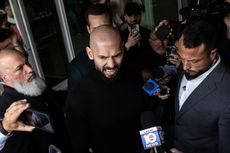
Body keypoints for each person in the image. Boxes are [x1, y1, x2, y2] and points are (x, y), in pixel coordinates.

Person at [65, 25, 150, 153]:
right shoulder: (78, 97)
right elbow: (79, 146)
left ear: (122, 48)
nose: (111, 65)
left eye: (117, 55)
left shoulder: (133, 76)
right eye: (103, 57)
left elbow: (144, 113)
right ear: (90, 53)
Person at [170, 20, 230, 153]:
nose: (185, 67)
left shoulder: (227, 94)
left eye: (193, 61)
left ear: (212, 54)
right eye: (182, 58)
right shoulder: (186, 64)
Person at [0, 49, 70, 153]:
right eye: (19, 68)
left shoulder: (34, 84)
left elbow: (56, 98)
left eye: (27, 62)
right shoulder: (6, 111)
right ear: (4, 77)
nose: (29, 69)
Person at [68, 3, 111, 91]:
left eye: (105, 27)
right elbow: (75, 103)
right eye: (96, 29)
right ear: (88, 29)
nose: (101, 33)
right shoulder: (77, 68)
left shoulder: (123, 51)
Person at [120, 2, 152, 75]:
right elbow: (118, 57)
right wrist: (128, 44)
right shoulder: (120, 36)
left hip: (148, 71)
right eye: (130, 15)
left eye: (136, 15)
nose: (133, 18)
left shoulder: (148, 33)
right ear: (125, 17)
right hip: (129, 73)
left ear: (140, 16)